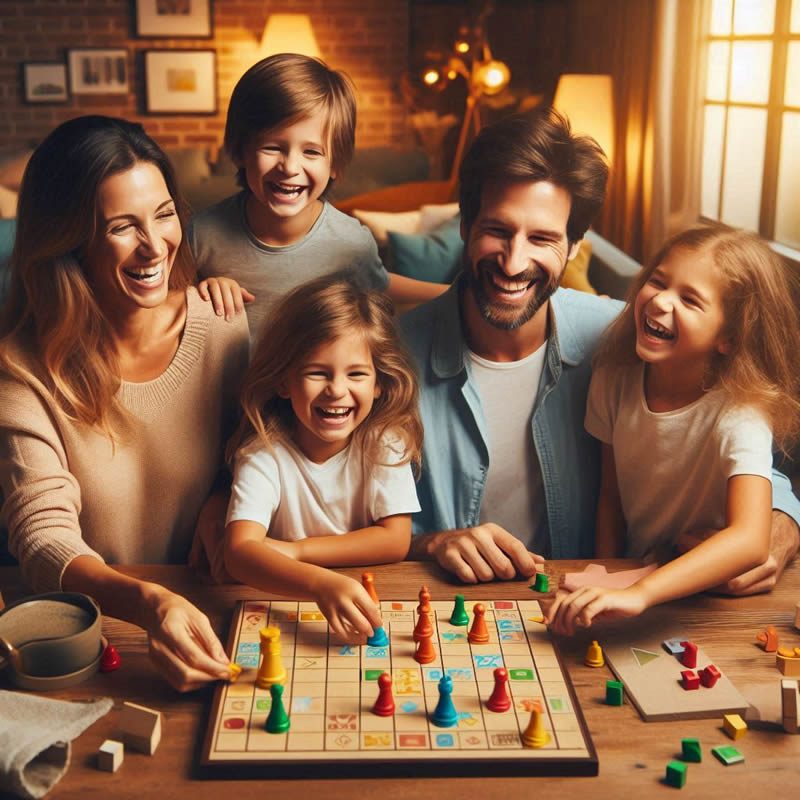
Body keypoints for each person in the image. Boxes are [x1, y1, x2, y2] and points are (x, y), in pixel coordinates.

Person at [400, 108, 800, 590]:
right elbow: (330, 504)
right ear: (466, 226)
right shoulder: (388, 357)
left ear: (573, 247)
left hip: (578, 607)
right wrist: (431, 542)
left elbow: (730, 432)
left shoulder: (624, 339)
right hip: (445, 610)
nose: (513, 262)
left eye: (542, 238)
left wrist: (782, 527)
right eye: (498, 230)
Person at [0, 116, 249, 691]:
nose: (154, 245)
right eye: (121, 226)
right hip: (97, 637)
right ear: (70, 240)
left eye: (164, 215)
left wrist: (222, 491)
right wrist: (150, 602)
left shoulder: (224, 328)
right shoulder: (20, 369)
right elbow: (43, 537)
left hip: (215, 615)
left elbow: (257, 452)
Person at [545, 225, 800, 634]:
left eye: (690, 299)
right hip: (639, 586)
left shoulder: (741, 412)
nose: (660, 300)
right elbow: (611, 499)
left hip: (713, 602)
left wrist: (641, 592)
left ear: (729, 338)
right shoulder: (613, 376)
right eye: (658, 282)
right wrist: (606, 581)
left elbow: (751, 540)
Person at [189, 53, 446, 341]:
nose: (289, 167)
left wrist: (453, 295)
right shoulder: (202, 234)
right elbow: (163, 307)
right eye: (273, 147)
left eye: (311, 151)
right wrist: (197, 292)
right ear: (240, 151)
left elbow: (380, 284)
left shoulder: (351, 242)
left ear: (335, 164)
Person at [223, 277, 423, 640]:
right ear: (284, 382)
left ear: (379, 384)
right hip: (283, 604)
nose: (336, 390)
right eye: (317, 372)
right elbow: (238, 552)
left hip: (367, 599)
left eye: (357, 374)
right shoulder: (263, 453)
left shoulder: (384, 442)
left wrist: (297, 552)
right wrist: (320, 584)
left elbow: (396, 540)